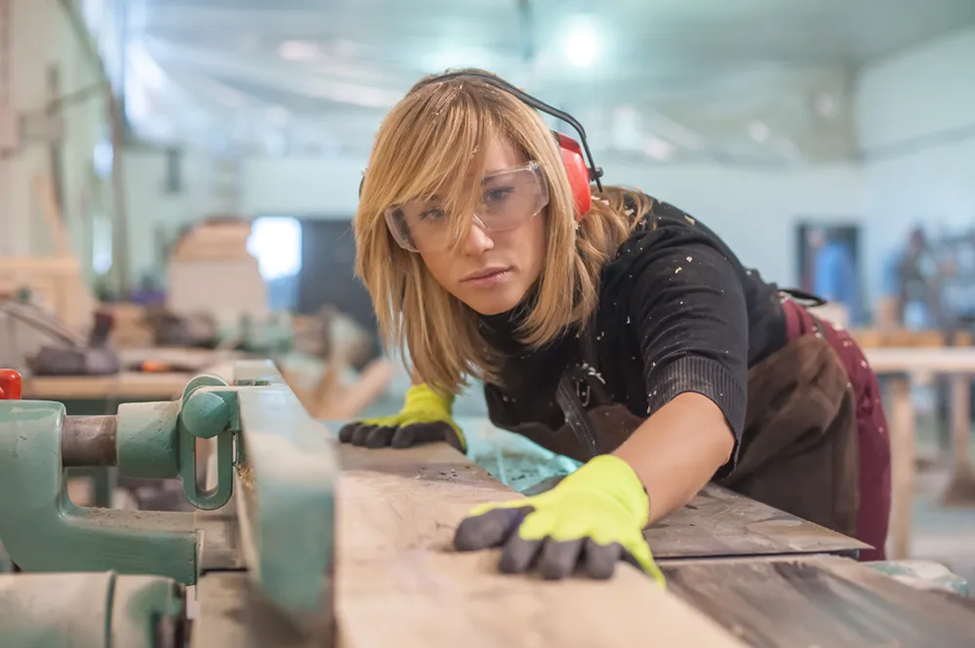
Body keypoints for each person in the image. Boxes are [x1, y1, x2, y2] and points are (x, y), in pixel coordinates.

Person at [341, 69, 891, 582]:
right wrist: (427, 405)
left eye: (498, 193)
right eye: (434, 212)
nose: (474, 241)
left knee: (814, 596)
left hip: (802, 412)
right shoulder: (480, 272)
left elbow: (700, 410)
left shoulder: (665, 262)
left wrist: (610, 493)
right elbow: (443, 320)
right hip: (671, 444)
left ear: (561, 186)